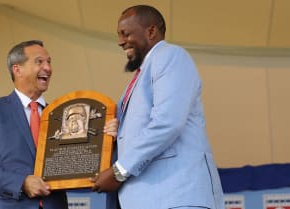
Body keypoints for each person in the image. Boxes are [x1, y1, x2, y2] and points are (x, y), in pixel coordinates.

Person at [91, 5, 225, 209]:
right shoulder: (141, 74)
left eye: (125, 34)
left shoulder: (170, 56)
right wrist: (119, 132)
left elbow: (167, 123)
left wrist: (119, 171)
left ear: (151, 31)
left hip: (176, 197)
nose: (120, 41)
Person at [0, 40, 118, 209]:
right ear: (17, 70)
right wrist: (22, 182)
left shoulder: (61, 116)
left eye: (49, 62)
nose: (48, 68)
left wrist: (111, 140)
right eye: (39, 62)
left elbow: (81, 167)